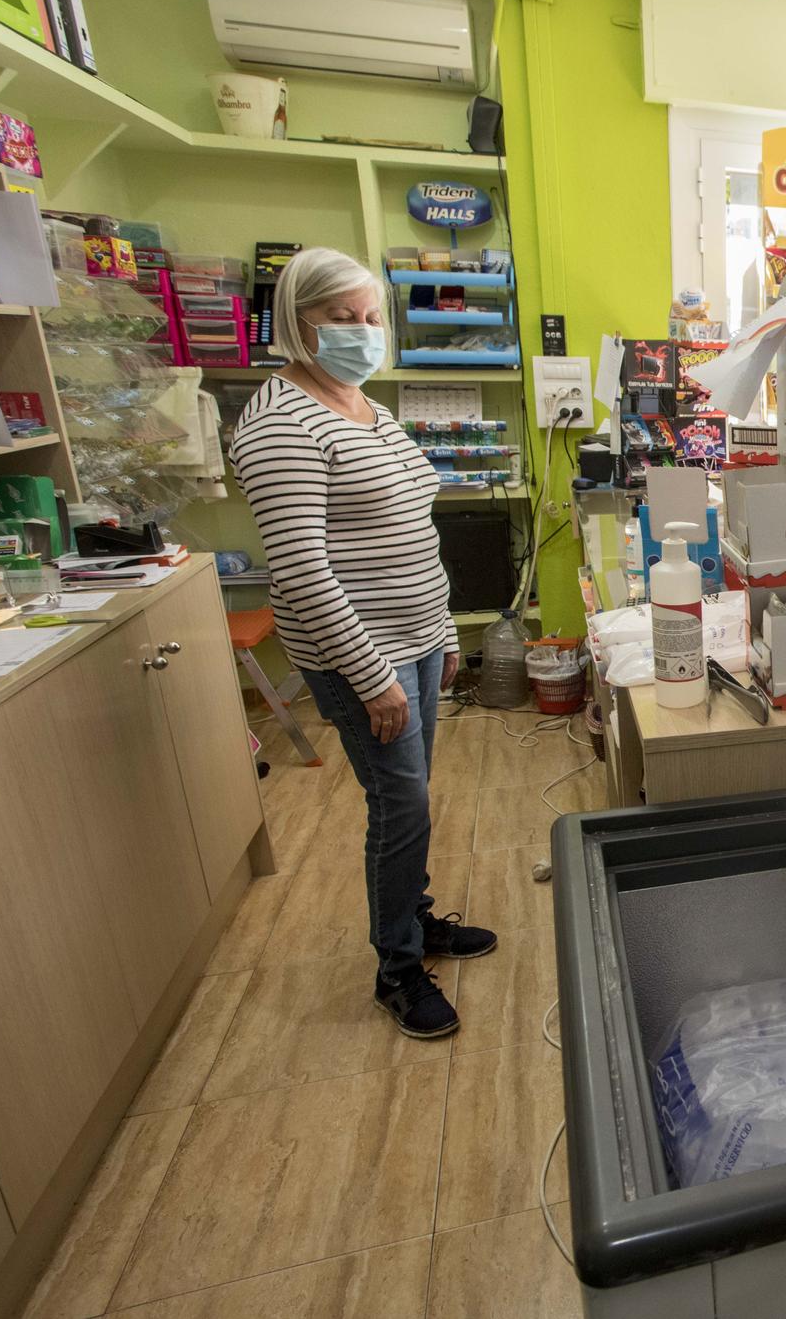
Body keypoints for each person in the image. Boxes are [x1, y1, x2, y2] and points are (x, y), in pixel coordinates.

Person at [231, 247, 497, 1040]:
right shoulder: (280, 423)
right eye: (342, 319)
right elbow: (304, 571)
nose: (362, 331)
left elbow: (415, 527)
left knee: (412, 798)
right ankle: (399, 967)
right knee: (400, 802)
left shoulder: (362, 405)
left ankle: (416, 920)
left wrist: (443, 628)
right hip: (359, 656)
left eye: (371, 316)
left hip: (414, 639)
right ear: (298, 322)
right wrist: (374, 676)